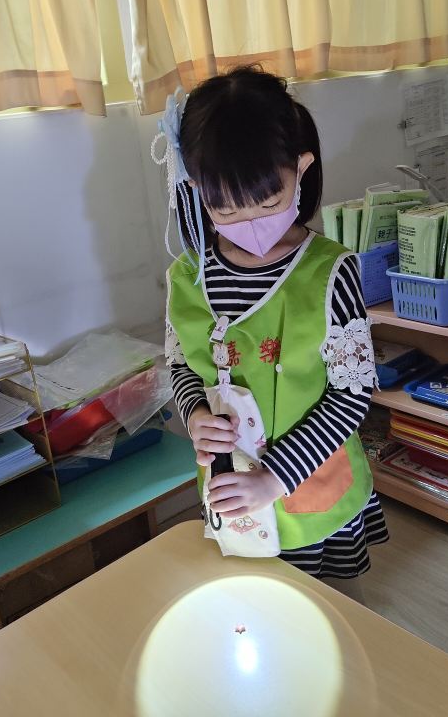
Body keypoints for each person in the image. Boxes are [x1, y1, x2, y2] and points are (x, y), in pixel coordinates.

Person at [157, 66, 388, 598]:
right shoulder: (187, 278)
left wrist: (275, 477)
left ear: (301, 170)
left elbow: (352, 395)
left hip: (309, 486)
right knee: (255, 600)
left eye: (267, 203)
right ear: (195, 188)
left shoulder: (331, 272)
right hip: (231, 489)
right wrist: (195, 415)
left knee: (324, 604)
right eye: (224, 207)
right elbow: (182, 364)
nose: (251, 225)